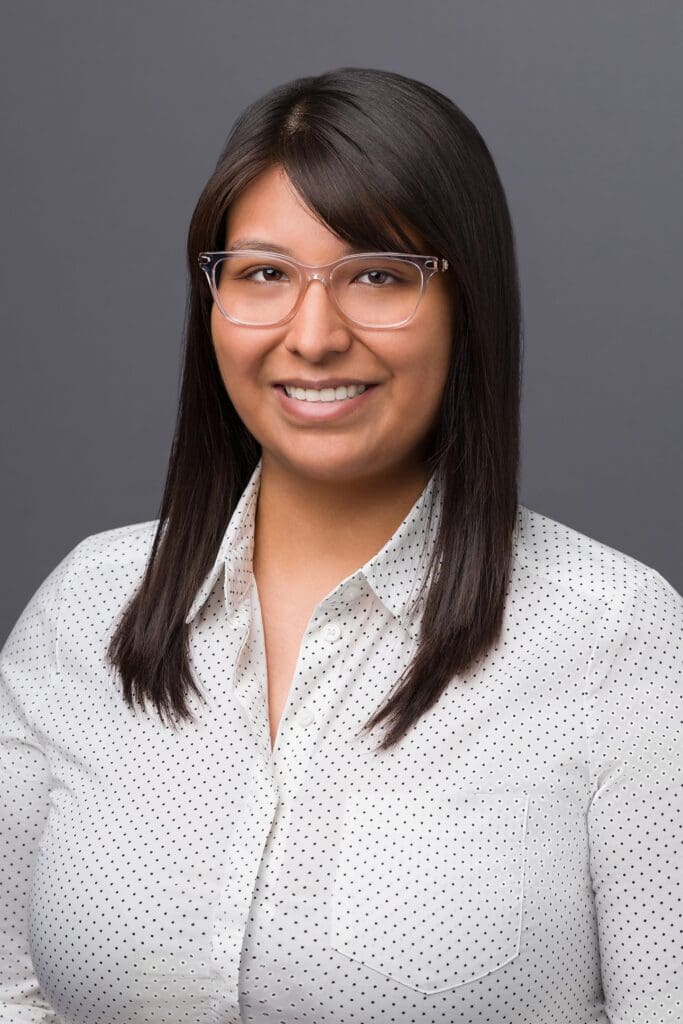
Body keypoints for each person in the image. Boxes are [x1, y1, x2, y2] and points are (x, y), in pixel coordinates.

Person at [1, 66, 681, 1024]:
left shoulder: (617, 635)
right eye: (264, 274)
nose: (312, 336)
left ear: (466, 303)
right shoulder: (88, 605)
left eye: (376, 275)